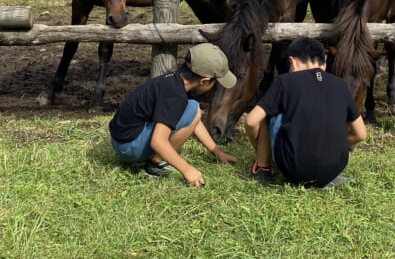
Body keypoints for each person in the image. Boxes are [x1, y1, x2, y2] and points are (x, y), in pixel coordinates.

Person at [109, 42, 239, 187]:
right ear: (204, 81)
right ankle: (155, 164)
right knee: (194, 109)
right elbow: (158, 141)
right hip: (128, 148)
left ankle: (154, 158)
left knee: (192, 109)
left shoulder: (175, 80)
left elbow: (194, 121)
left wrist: (216, 152)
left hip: (121, 141)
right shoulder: (175, 96)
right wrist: (187, 170)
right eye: (215, 83)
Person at [244, 36, 367, 188]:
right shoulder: (341, 86)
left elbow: (251, 121)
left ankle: (263, 168)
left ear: (292, 62)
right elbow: (361, 134)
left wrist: (258, 145)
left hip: (293, 169)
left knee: (267, 112)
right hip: (333, 170)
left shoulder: (285, 81)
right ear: (323, 65)